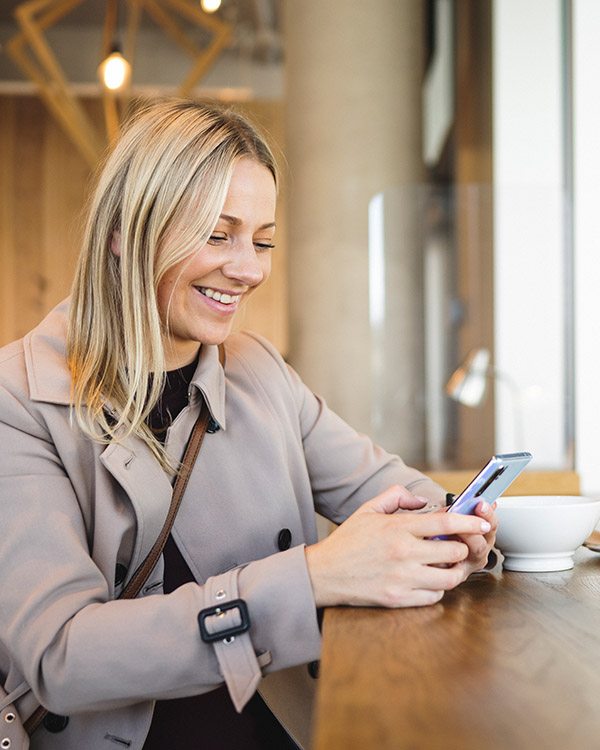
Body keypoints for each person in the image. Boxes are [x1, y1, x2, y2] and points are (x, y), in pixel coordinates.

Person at [0, 98, 497, 750]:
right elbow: (62, 656)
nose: (250, 268)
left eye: (263, 239)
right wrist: (314, 576)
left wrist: (453, 529)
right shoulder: (19, 401)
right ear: (123, 232)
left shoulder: (259, 371)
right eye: (217, 234)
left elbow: (396, 490)